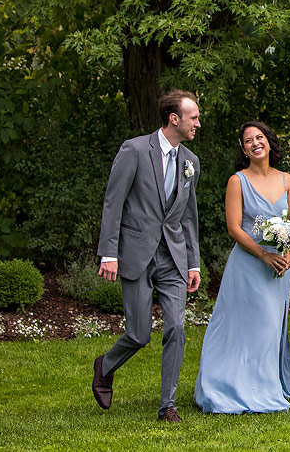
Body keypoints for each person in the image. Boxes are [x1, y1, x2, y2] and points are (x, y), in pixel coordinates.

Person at [92, 90, 202, 422]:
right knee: (138, 334)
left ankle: (167, 405)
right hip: (137, 252)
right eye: (193, 117)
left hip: (174, 256)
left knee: (177, 327)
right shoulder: (135, 150)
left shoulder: (191, 163)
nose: (198, 122)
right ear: (174, 119)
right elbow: (114, 202)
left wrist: (193, 261)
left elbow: (188, 215)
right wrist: (108, 253)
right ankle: (105, 365)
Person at [194, 121, 290, 413]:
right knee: (247, 326)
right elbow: (235, 229)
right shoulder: (237, 181)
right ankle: (232, 385)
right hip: (249, 265)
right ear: (243, 149)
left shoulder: (286, 180)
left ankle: (265, 385)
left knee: (270, 328)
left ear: (269, 141)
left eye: (260, 137)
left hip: (280, 267)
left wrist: (288, 254)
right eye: (248, 140)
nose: (255, 142)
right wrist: (264, 256)